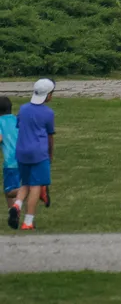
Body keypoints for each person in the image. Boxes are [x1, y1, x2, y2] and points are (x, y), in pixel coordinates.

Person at [9, 79, 54, 231]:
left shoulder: (23, 109)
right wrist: (50, 155)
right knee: (36, 186)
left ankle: (17, 204)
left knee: (25, 183)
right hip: (39, 153)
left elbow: (19, 126)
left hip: (21, 151)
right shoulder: (48, 113)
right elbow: (49, 136)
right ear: (47, 95)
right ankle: (28, 221)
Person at [0, 97, 16, 202]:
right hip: (26, 158)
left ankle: (33, 190)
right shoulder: (17, 119)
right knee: (8, 189)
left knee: (10, 191)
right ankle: (13, 215)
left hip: (11, 161)